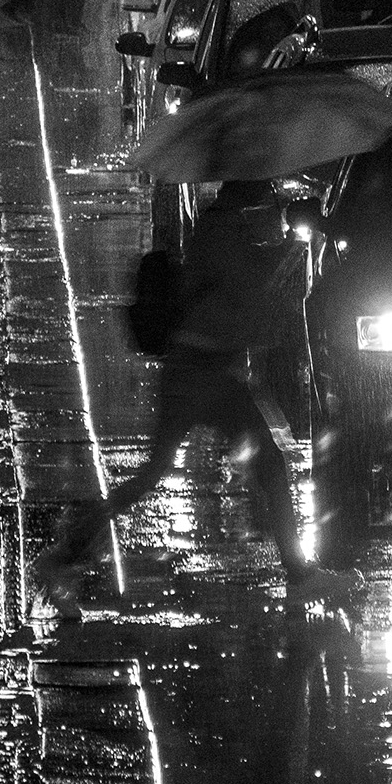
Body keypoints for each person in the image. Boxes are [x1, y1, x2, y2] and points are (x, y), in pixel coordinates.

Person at [32, 179, 358, 616]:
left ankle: (63, 557)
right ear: (243, 188)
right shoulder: (221, 231)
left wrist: (288, 241)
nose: (266, 192)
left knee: (192, 470)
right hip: (202, 370)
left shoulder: (222, 228)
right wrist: (293, 240)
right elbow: (253, 293)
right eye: (261, 186)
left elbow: (249, 296)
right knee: (255, 465)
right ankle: (298, 575)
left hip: (204, 370)